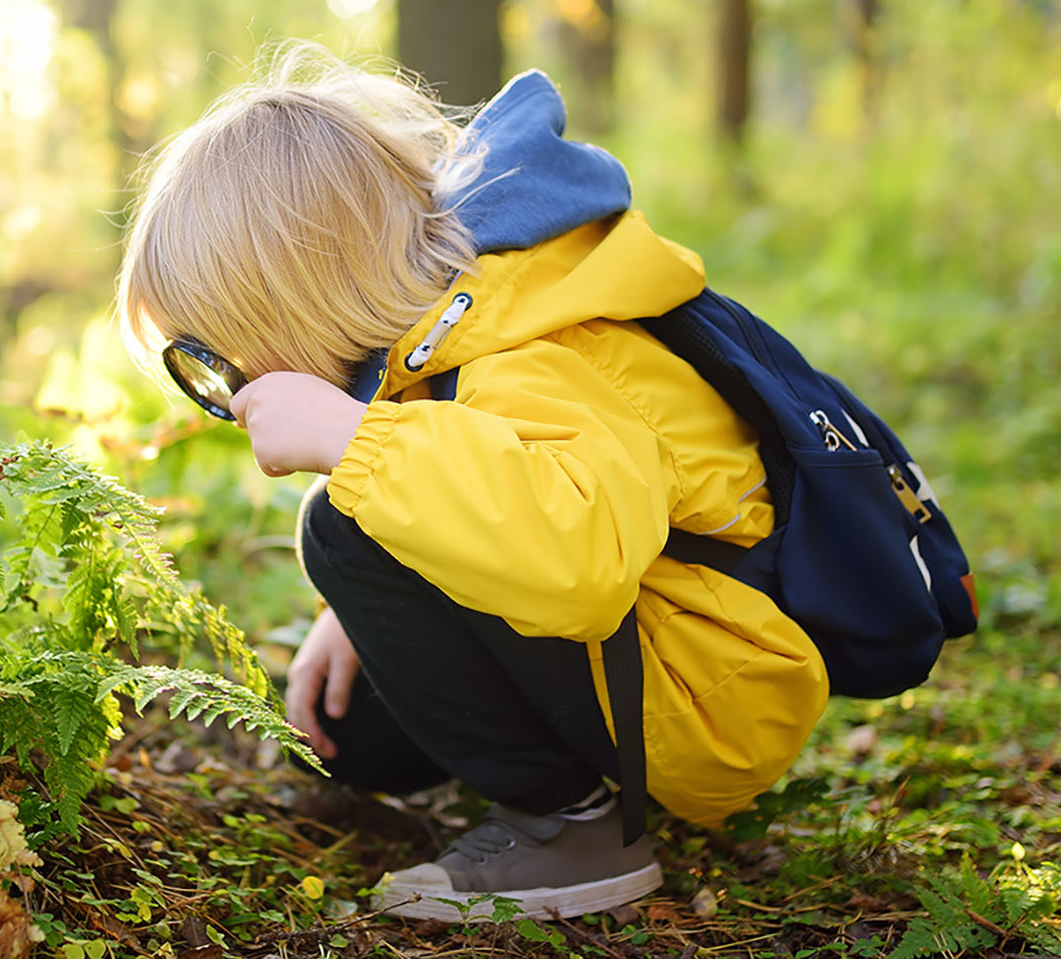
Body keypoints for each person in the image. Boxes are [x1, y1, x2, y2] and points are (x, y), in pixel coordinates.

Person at [114, 43, 829, 922]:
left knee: (337, 523)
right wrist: (359, 610)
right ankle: (536, 783)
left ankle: (573, 831)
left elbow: (580, 560)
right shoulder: (443, 335)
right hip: (649, 656)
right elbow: (482, 480)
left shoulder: (532, 343)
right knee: (357, 738)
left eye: (211, 356)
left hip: (705, 690)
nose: (219, 389)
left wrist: (353, 445)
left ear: (294, 299)